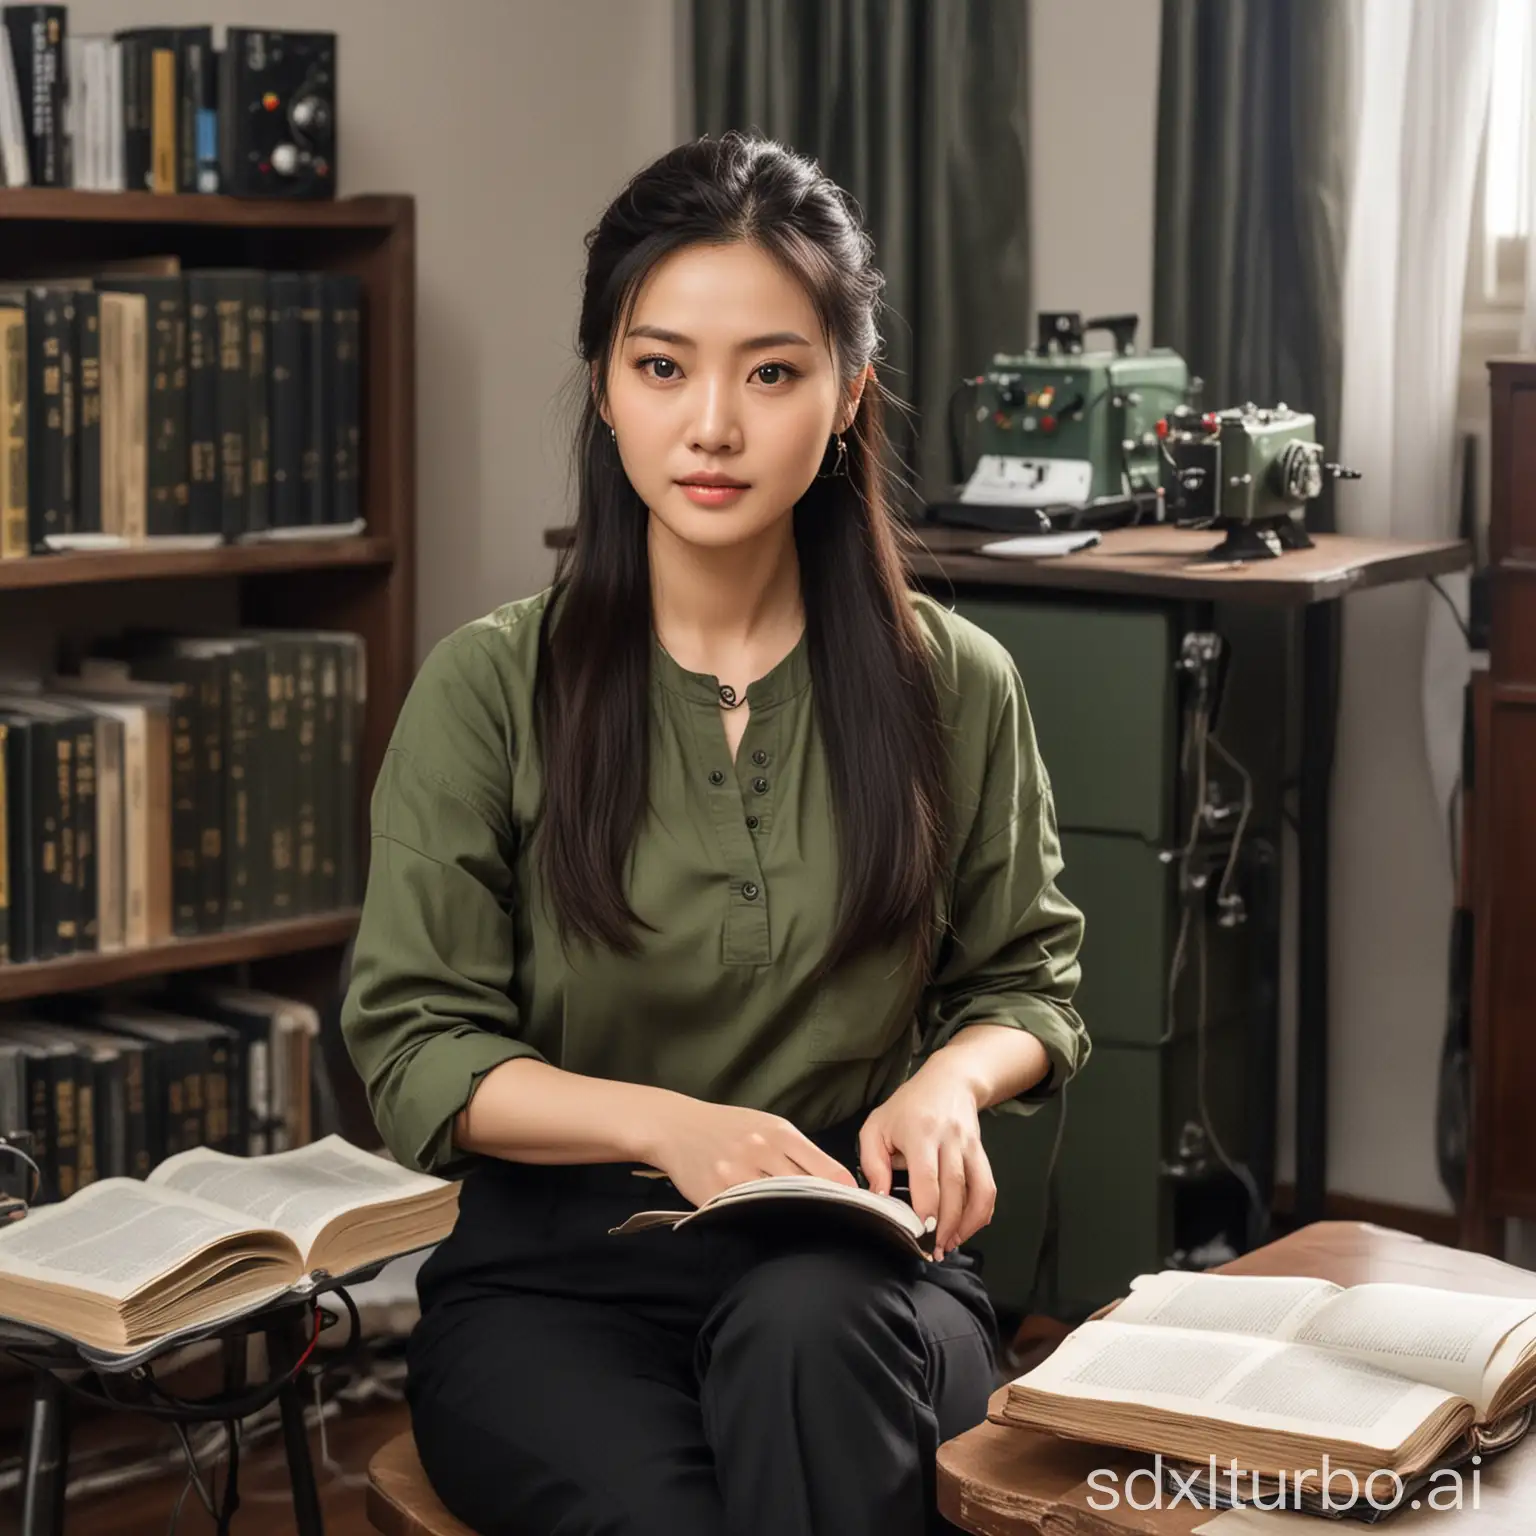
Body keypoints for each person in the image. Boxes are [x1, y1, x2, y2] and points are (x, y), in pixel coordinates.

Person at [340, 130, 1089, 1536]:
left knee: (812, 1335)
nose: (713, 427)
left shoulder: (956, 684)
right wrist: (670, 1128)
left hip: (862, 1270)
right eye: (663, 365)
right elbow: (415, 1045)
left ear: (849, 396)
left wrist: (948, 1089)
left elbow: (1026, 982)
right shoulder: (492, 686)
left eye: (774, 370)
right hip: (555, 1287)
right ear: (608, 394)